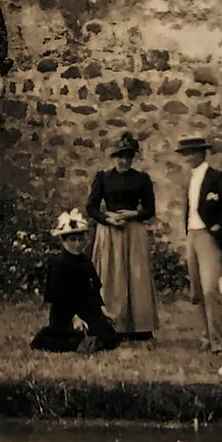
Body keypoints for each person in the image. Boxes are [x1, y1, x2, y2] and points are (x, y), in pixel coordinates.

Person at [86, 132, 157, 341]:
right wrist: (107, 219)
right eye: (120, 156)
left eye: (128, 156)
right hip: (109, 232)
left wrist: (134, 214)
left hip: (133, 231)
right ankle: (110, 324)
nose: (124, 161)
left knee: (136, 276)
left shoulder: (142, 179)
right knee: (110, 275)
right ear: (113, 157)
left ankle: (139, 327)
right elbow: (91, 207)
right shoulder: (103, 177)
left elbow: (150, 209)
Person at [176, 134, 222, 352]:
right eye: (184, 153)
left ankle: (217, 340)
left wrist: (219, 226)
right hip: (192, 235)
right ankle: (206, 336)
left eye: (191, 153)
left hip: (208, 236)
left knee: (209, 288)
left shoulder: (216, 177)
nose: (187, 157)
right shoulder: (190, 178)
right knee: (196, 290)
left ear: (202, 153)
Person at [30, 210, 120, 353]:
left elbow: (93, 289)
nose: (77, 244)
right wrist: (75, 317)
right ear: (63, 241)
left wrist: (101, 308)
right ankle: (77, 341)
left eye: (80, 239)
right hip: (65, 312)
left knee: (107, 335)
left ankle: (89, 339)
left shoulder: (85, 261)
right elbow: (56, 297)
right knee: (64, 336)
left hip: (85, 308)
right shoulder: (58, 264)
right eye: (72, 240)